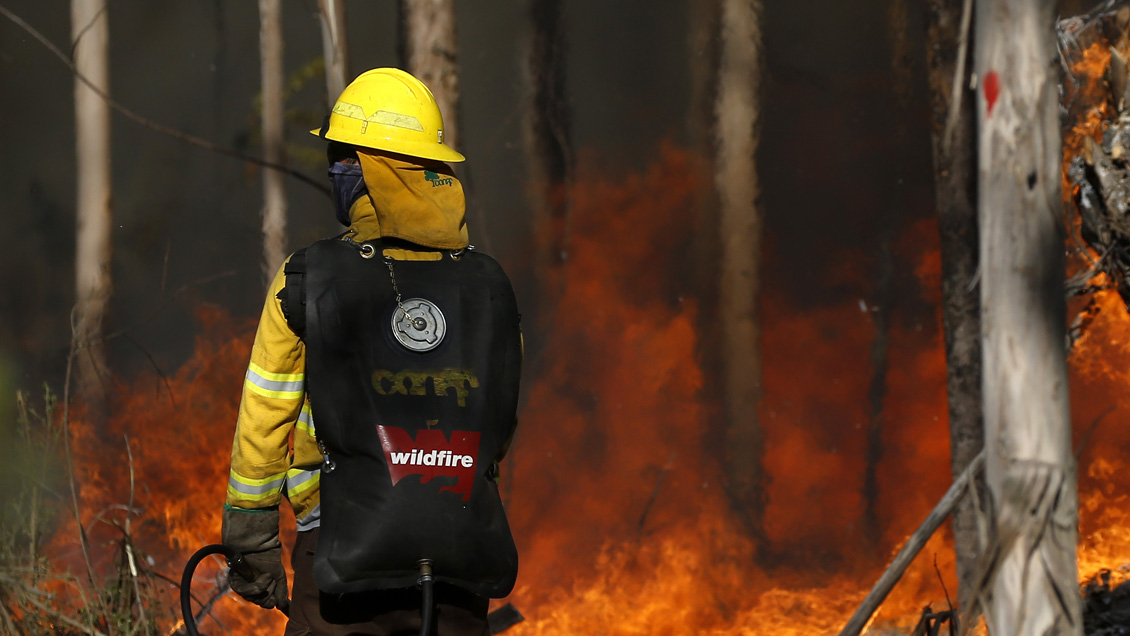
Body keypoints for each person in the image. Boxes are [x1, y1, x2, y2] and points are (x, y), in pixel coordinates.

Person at [221, 67, 523, 636]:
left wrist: (250, 532)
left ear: (373, 169)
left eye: (342, 157)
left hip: (337, 560)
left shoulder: (307, 280)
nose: (334, 169)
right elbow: (498, 426)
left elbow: (266, 415)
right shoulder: (490, 287)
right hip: (461, 555)